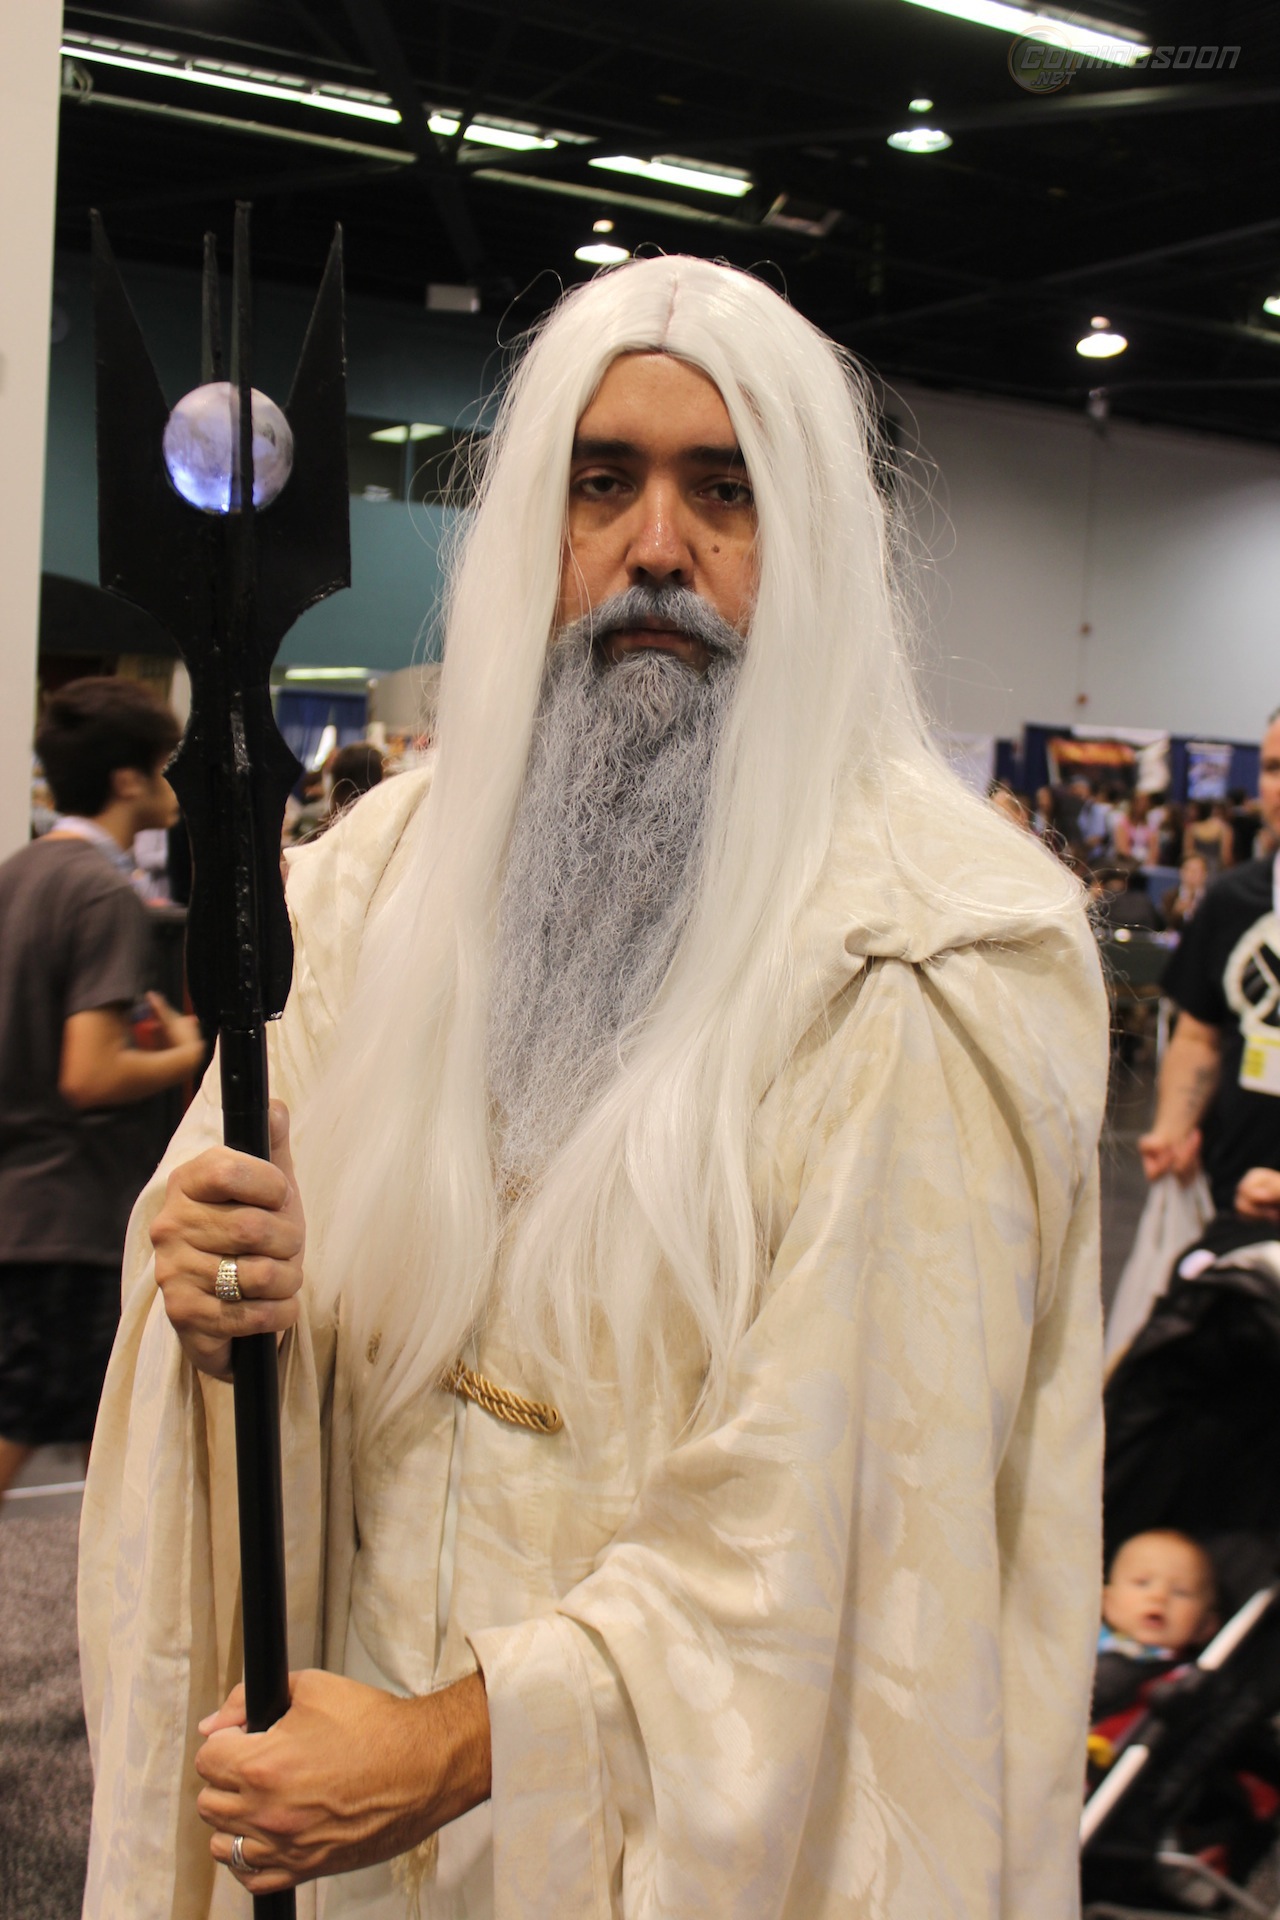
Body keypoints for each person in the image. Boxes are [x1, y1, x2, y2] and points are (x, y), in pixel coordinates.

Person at [81, 257, 1109, 1919]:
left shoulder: (929, 947)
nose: (657, 548)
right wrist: (215, 1291)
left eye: (727, 491)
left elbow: (839, 1509)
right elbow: (232, 1268)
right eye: (603, 481)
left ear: (817, 542)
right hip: (351, 1794)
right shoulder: (382, 880)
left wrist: (448, 1746)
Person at [0, 678, 205, 1502]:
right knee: (59, 1426)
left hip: (26, 1203)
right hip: (71, 1214)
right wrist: (186, 1054)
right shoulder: (101, 894)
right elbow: (89, 1073)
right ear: (128, 779)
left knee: (100, 1445)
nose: (174, 783)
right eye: (164, 765)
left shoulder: (21, 873)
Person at [1140, 710, 1280, 1214]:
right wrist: (1172, 1128)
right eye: (1273, 768)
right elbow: (1199, 1035)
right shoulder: (1231, 900)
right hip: (1234, 1199)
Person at [1161, 851, 1209, 931]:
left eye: (1196, 871)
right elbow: (1162, 926)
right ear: (1181, 872)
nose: (1192, 874)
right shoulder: (1169, 897)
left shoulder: (1210, 898)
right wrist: (1176, 914)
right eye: (1188, 870)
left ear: (1205, 874)